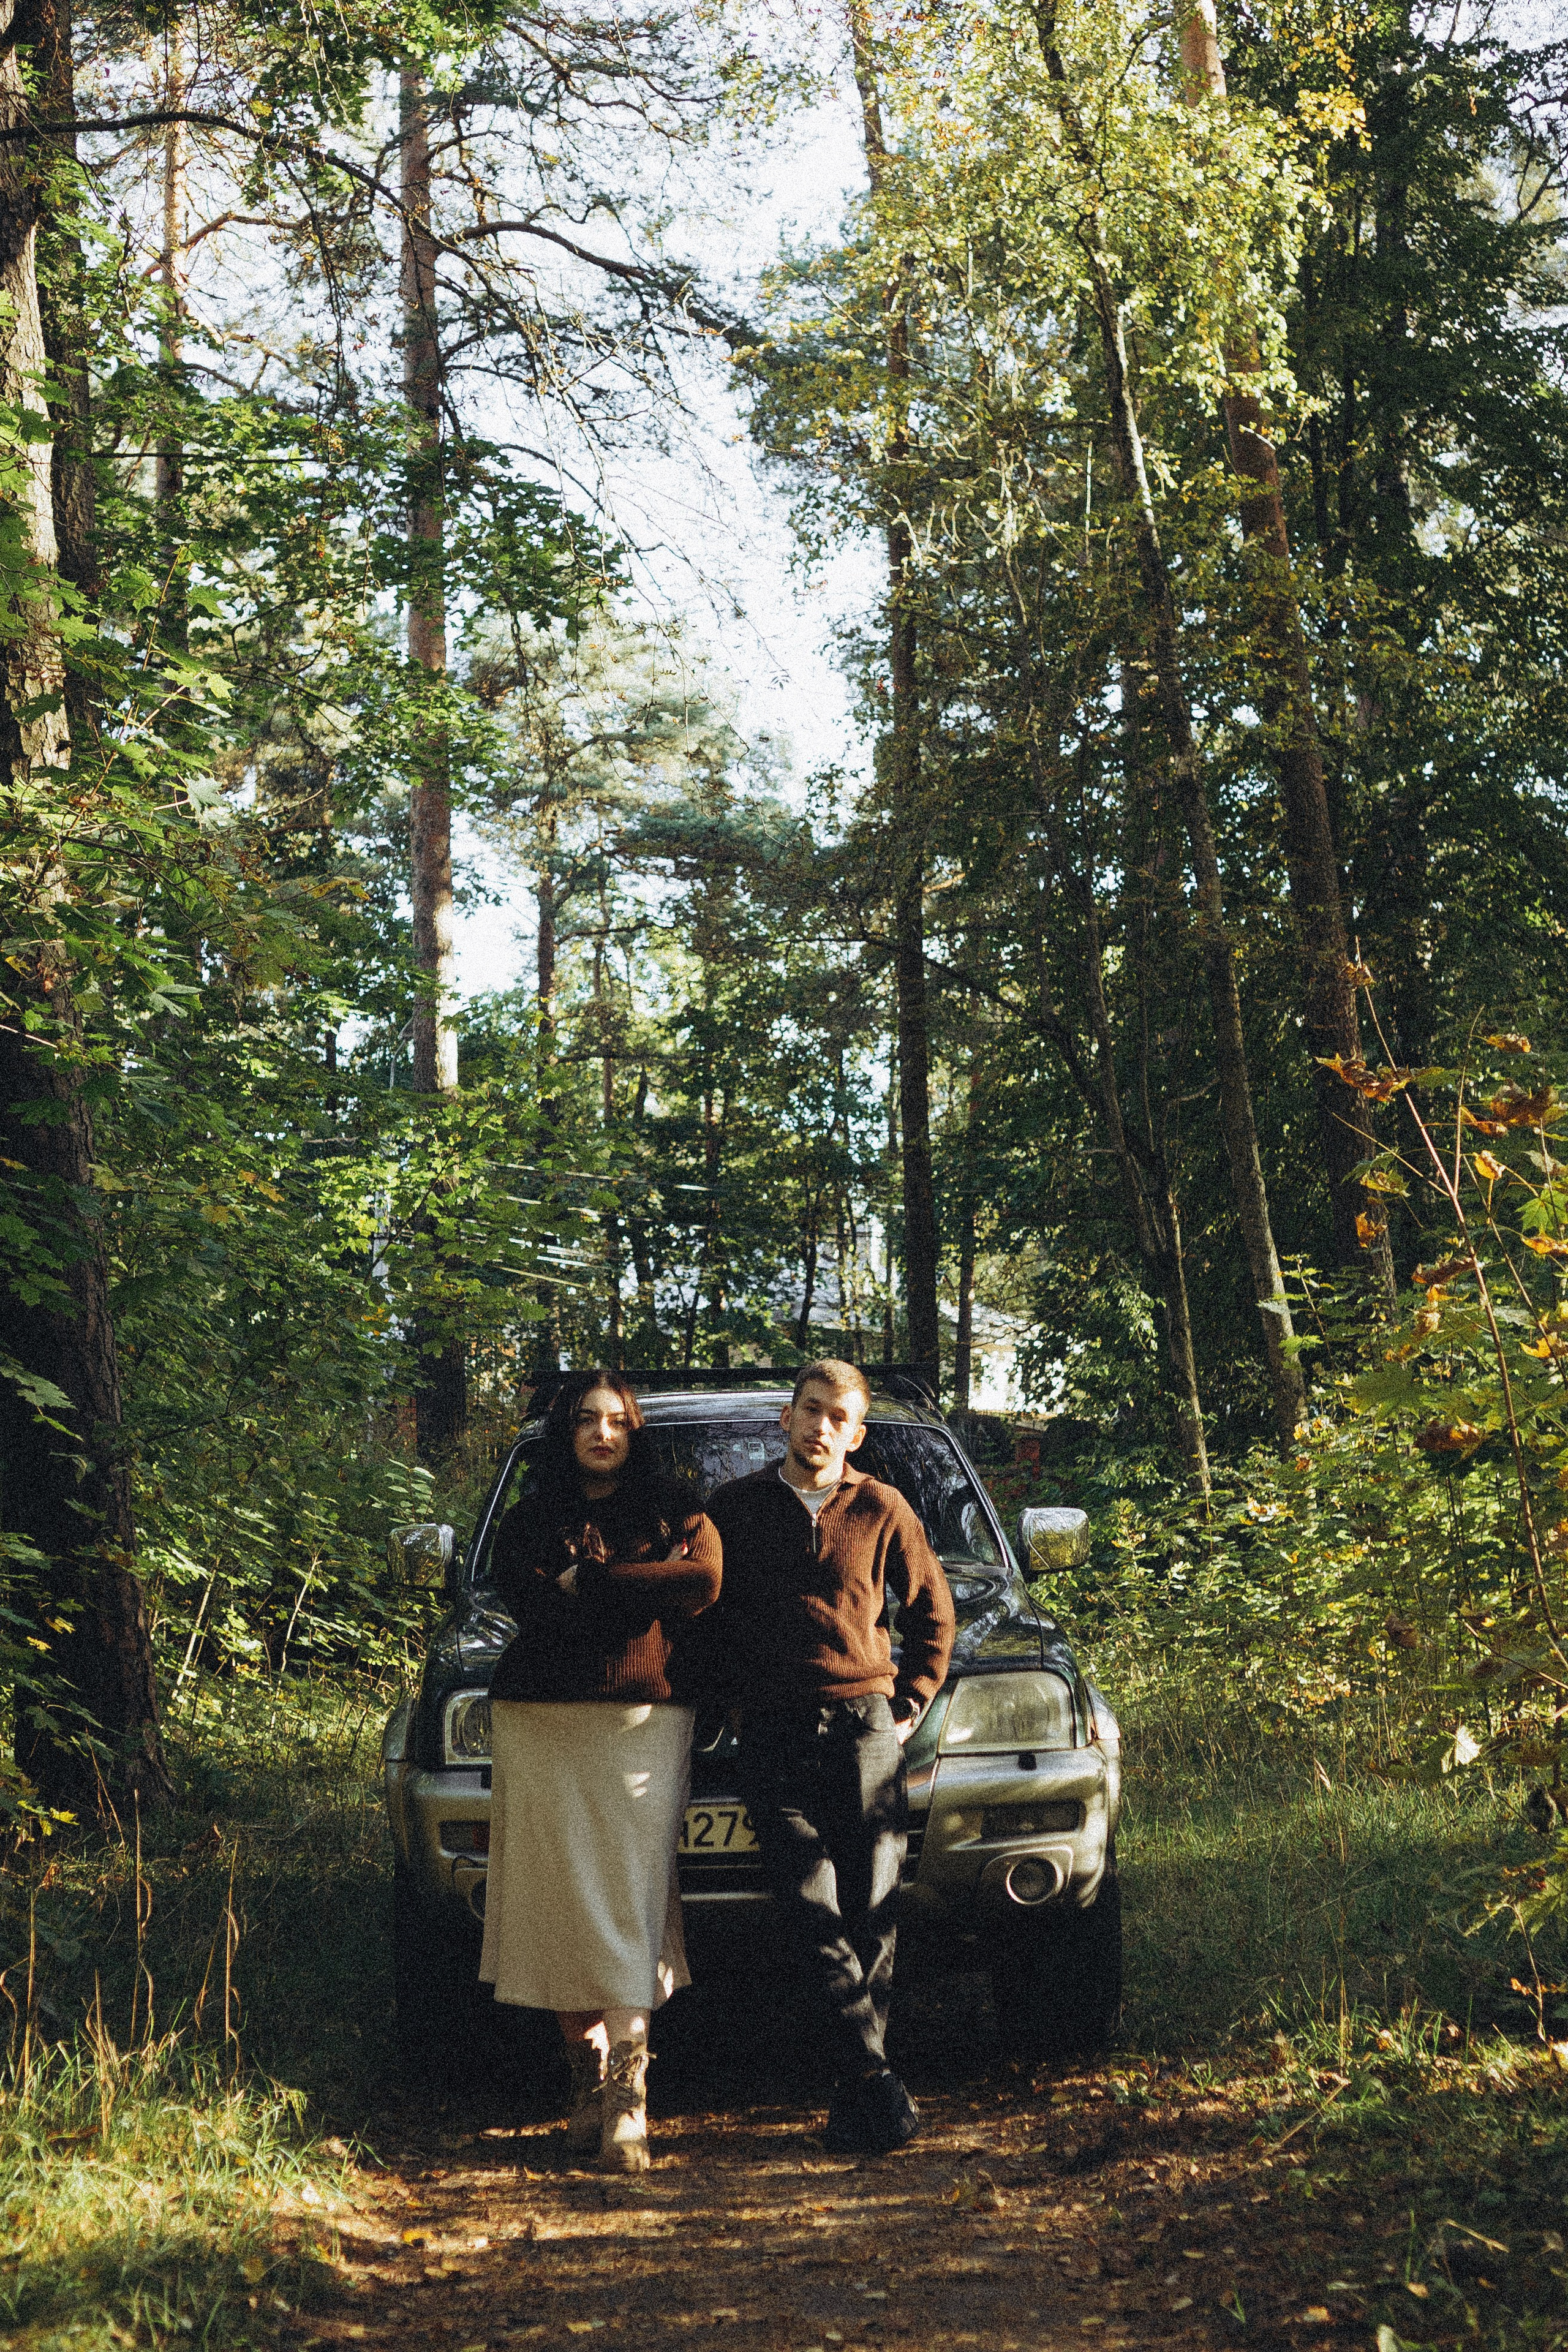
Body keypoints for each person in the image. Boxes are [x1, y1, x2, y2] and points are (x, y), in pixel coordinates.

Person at [705, 1359, 955, 2155]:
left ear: (856, 1432)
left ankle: (858, 2093)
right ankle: (875, 2077)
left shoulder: (884, 1509)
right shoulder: (734, 1510)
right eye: (810, 1411)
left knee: (874, 1909)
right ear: (787, 1418)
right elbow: (703, 1619)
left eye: (837, 1417)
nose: (820, 1427)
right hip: (771, 1732)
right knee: (811, 1910)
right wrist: (727, 1699)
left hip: (863, 1729)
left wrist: (910, 1701)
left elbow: (934, 1615)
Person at [479, 1370, 722, 2171]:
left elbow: (703, 1583)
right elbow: (534, 1605)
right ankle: (585, 2083)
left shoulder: (675, 1507)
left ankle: (630, 2100)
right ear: (567, 1431)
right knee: (557, 1903)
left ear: (636, 1429)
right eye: (587, 1420)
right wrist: (637, 1592)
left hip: (643, 1722)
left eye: (618, 1420)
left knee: (627, 1897)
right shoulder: (528, 1518)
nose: (603, 1434)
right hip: (539, 1722)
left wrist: (595, 1579)